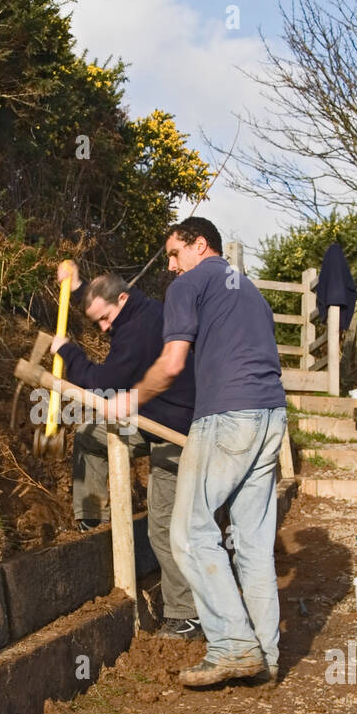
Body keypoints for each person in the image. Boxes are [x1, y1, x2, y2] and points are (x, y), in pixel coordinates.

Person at [117, 217, 287, 687]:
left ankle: (233, 645)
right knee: (253, 543)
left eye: (175, 253)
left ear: (200, 244)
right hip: (271, 415)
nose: (171, 266)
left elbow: (172, 364)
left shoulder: (189, 284)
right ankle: (266, 655)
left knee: (190, 532)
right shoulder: (249, 290)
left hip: (227, 415)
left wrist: (129, 399)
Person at [50, 260, 200, 639]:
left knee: (162, 524)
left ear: (122, 299)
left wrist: (68, 352)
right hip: (148, 417)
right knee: (90, 435)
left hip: (175, 431)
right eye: (97, 321)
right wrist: (78, 285)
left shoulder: (139, 330)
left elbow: (102, 382)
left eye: (104, 319)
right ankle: (92, 521)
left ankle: (187, 615)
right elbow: (102, 300)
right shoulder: (131, 306)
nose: (103, 328)